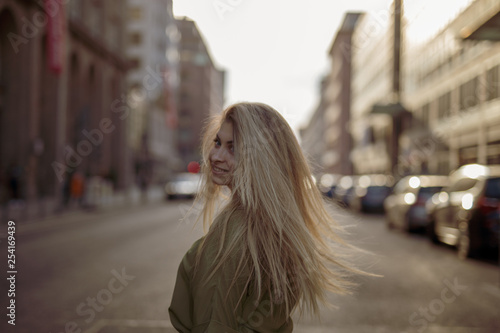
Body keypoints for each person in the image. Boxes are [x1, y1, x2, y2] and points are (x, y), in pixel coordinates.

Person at [169, 102, 366, 332]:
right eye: (218, 142)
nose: (216, 156)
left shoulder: (237, 227)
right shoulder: (276, 227)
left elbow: (216, 322)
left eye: (233, 148)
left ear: (262, 158)